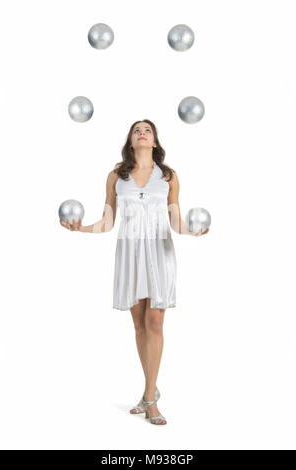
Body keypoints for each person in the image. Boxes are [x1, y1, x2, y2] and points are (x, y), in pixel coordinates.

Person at [60, 119, 209, 425]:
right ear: (130, 140)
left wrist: (192, 233)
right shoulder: (117, 176)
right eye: (137, 130)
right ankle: (147, 392)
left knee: (154, 324)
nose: (142, 133)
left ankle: (151, 398)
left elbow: (176, 220)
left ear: (154, 141)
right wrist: (81, 229)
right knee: (140, 326)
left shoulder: (168, 176)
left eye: (148, 131)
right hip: (129, 251)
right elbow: (107, 221)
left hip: (159, 250)